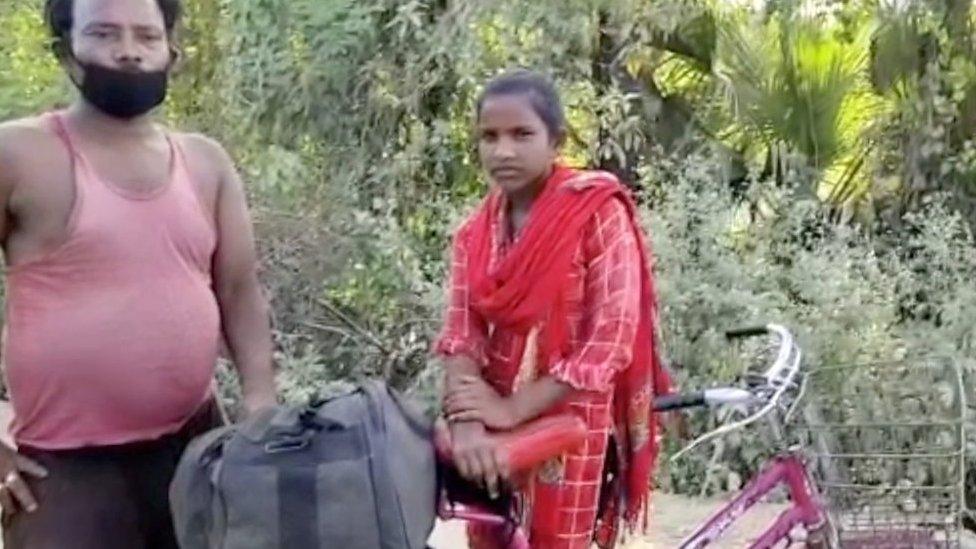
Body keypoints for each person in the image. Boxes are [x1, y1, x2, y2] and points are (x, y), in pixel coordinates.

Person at [0, 0, 277, 547]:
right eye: (104, 33)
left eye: (146, 36)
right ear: (66, 53)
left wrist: (260, 405)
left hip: (196, 452)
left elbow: (240, 296)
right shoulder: (20, 153)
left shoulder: (205, 163)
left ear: (171, 52)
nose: (129, 51)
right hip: (62, 473)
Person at [436, 69, 672, 549]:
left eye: (522, 134)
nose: (503, 151)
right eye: (490, 136)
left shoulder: (596, 213)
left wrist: (512, 407)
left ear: (555, 140)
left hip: (571, 428)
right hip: (494, 441)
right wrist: (469, 423)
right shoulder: (474, 235)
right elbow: (462, 336)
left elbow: (610, 339)